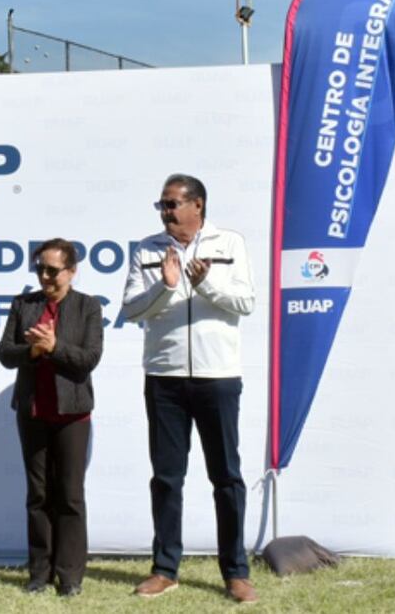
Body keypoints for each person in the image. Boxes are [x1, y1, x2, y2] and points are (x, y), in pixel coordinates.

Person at [122, 174, 257, 604]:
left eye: (172, 204)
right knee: (166, 477)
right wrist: (165, 287)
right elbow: (129, 310)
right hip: (164, 377)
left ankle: (236, 572)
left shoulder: (229, 243)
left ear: (197, 205)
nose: (165, 212)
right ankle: (165, 569)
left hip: (218, 377)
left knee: (226, 477)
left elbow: (246, 303)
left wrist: (206, 285)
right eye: (161, 205)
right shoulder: (146, 249)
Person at [0, 238, 103, 597]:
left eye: (52, 270)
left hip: (72, 414)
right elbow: (5, 354)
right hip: (33, 412)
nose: (44, 275)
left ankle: (70, 575)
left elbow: (89, 359)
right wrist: (33, 350)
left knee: (70, 496)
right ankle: (39, 573)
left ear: (71, 271)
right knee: (38, 495)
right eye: (40, 268)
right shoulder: (23, 305)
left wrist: (55, 348)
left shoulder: (88, 307)